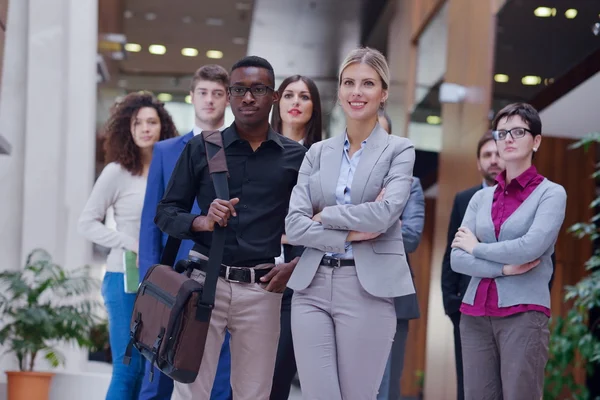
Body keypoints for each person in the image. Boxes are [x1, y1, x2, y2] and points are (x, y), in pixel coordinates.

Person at [154, 56, 306, 400]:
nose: (248, 97)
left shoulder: (296, 157)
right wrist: (200, 220)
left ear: (274, 97)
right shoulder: (201, 148)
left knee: (253, 393)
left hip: (262, 289)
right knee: (190, 391)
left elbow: (311, 221)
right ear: (230, 95)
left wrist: (295, 265)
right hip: (204, 282)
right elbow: (165, 212)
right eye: (239, 89)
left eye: (258, 89)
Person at [285, 47, 416, 400]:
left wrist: (326, 215)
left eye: (368, 83)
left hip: (367, 289)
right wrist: (352, 232)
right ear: (340, 91)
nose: (357, 92)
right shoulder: (316, 153)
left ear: (383, 93)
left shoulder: (399, 150)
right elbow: (295, 226)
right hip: (310, 288)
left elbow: (385, 214)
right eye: (349, 83)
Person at [451, 103, 567, 400]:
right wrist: (502, 269)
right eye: (502, 133)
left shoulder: (551, 194)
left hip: (523, 313)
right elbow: (457, 258)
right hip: (474, 314)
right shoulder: (479, 198)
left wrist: (478, 248)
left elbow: (531, 247)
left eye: (518, 131)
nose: (508, 139)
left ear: (536, 141)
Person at [138, 65, 233, 400]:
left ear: (228, 99)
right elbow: (152, 219)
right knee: (158, 374)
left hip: (219, 276)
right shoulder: (165, 151)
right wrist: (147, 280)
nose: (209, 101)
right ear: (191, 96)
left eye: (218, 94)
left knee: (217, 378)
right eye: (203, 93)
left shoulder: (238, 149)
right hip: (171, 278)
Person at [78, 92, 178, 399]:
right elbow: (87, 223)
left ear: (163, 128)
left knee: (154, 369)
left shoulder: (172, 173)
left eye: (152, 122)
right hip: (124, 278)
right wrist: (132, 243)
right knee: (128, 368)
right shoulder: (117, 172)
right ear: (128, 129)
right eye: (138, 123)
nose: (145, 128)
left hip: (163, 281)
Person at [268, 75, 323, 400]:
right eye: (289, 95)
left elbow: (329, 214)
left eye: (304, 96)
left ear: (314, 107)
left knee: (279, 371)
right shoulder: (257, 150)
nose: (296, 102)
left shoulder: (324, 156)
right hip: (254, 269)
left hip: (302, 272)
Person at [440, 130, 504, 400]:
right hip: (467, 308)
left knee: (505, 383)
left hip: (510, 306)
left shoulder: (525, 199)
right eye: (487, 155)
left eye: (498, 154)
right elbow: (450, 255)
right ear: (478, 163)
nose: (493, 160)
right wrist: (451, 304)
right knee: (468, 385)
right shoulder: (464, 200)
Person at [376, 110, 425, 400]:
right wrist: (389, 222)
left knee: (385, 388)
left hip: (393, 299)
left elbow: (410, 237)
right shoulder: (341, 181)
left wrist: (360, 226)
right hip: (342, 290)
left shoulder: (411, 185)